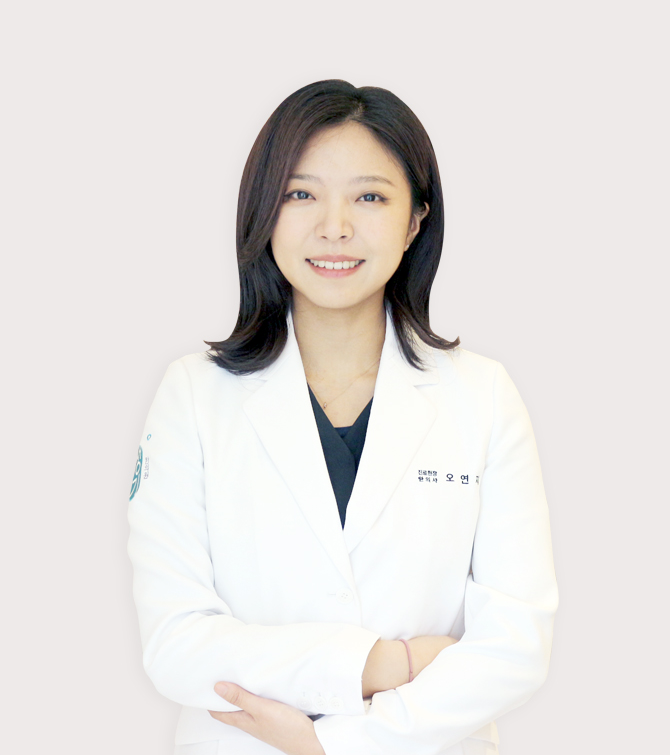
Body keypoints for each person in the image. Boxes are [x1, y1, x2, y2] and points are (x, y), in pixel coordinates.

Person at [127, 79, 559, 755]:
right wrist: (383, 665)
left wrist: (340, 744)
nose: (334, 227)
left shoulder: (482, 395)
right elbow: (176, 643)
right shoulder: (193, 396)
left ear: (416, 220)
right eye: (301, 195)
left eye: (370, 197)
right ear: (264, 212)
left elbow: (517, 644)